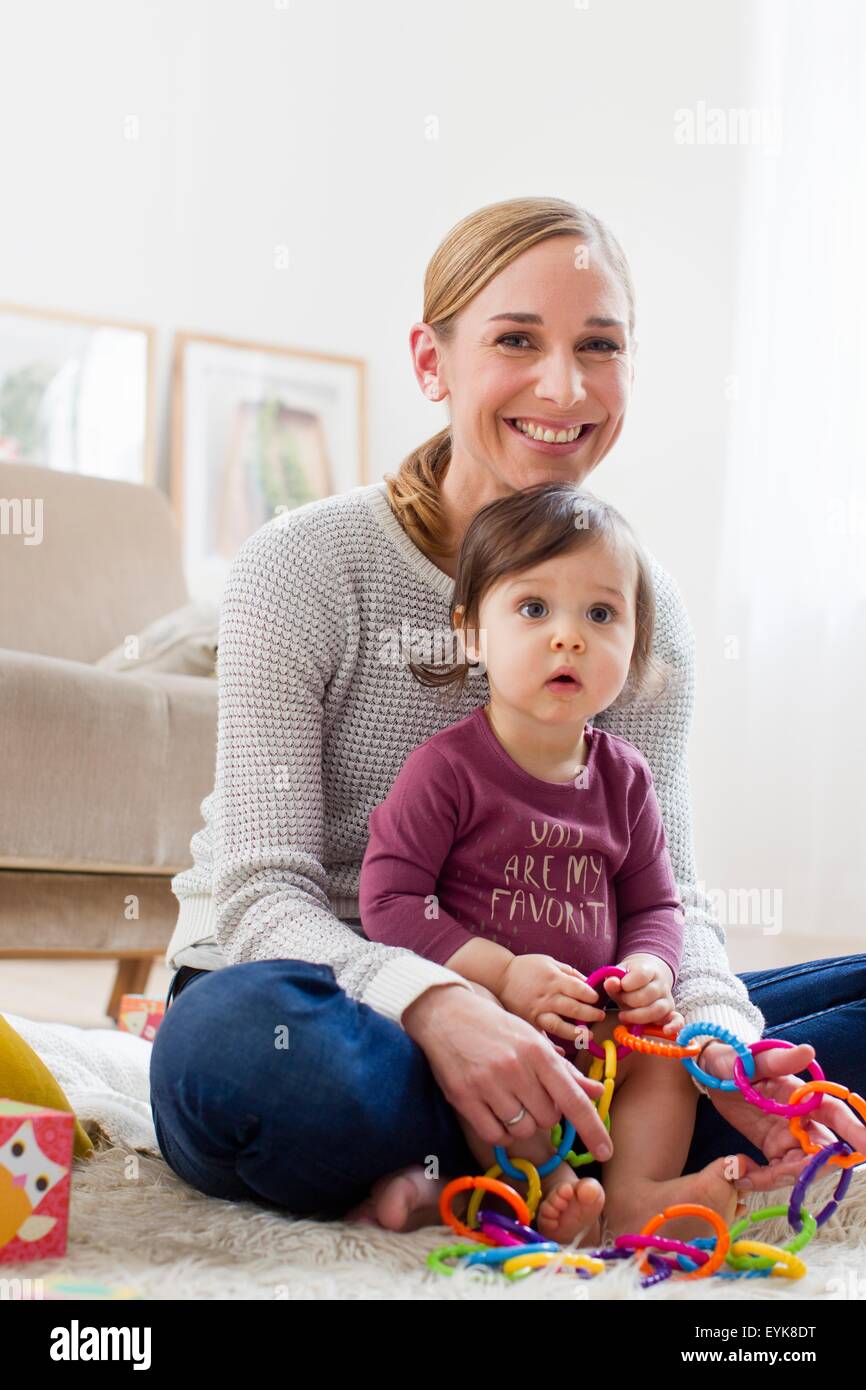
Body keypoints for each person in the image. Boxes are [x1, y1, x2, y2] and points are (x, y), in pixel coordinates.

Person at [150, 196, 866, 1235]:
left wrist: (719, 1042)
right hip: (332, 1004)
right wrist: (441, 1005)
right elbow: (261, 896)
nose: (562, 386)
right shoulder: (303, 566)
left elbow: (669, 892)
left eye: (598, 347)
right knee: (252, 1061)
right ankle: (516, 1148)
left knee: (759, 1041)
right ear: (431, 363)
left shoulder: (639, 612)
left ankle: (518, 1159)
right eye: (515, 341)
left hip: (573, 1037)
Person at [359, 480, 764, 1247]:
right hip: (492, 1016)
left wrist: (651, 968)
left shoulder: (625, 777)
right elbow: (391, 899)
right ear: (472, 632)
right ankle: (544, 1190)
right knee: (497, 1069)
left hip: (601, 1022)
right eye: (534, 609)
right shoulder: (446, 771)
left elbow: (656, 905)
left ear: (634, 645)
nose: (568, 637)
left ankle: (634, 1196)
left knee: (669, 1053)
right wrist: (503, 974)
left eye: (601, 615)